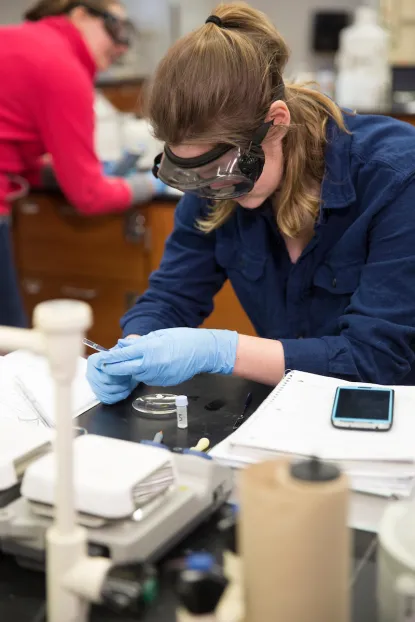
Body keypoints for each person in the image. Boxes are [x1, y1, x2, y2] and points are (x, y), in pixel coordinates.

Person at [87, 2, 415, 404]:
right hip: (283, 408)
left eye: (222, 169)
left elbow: (375, 359)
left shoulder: (395, 177)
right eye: (189, 174)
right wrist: (134, 348)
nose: (212, 189)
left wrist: (221, 350)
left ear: (276, 123)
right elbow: (173, 294)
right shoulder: (213, 181)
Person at [0, 0, 161, 327]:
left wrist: (51, 171)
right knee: (10, 349)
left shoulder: (14, 39)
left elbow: (12, 138)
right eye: (114, 28)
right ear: (79, 14)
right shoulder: (62, 66)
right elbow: (88, 195)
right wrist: (152, 184)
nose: (120, 45)